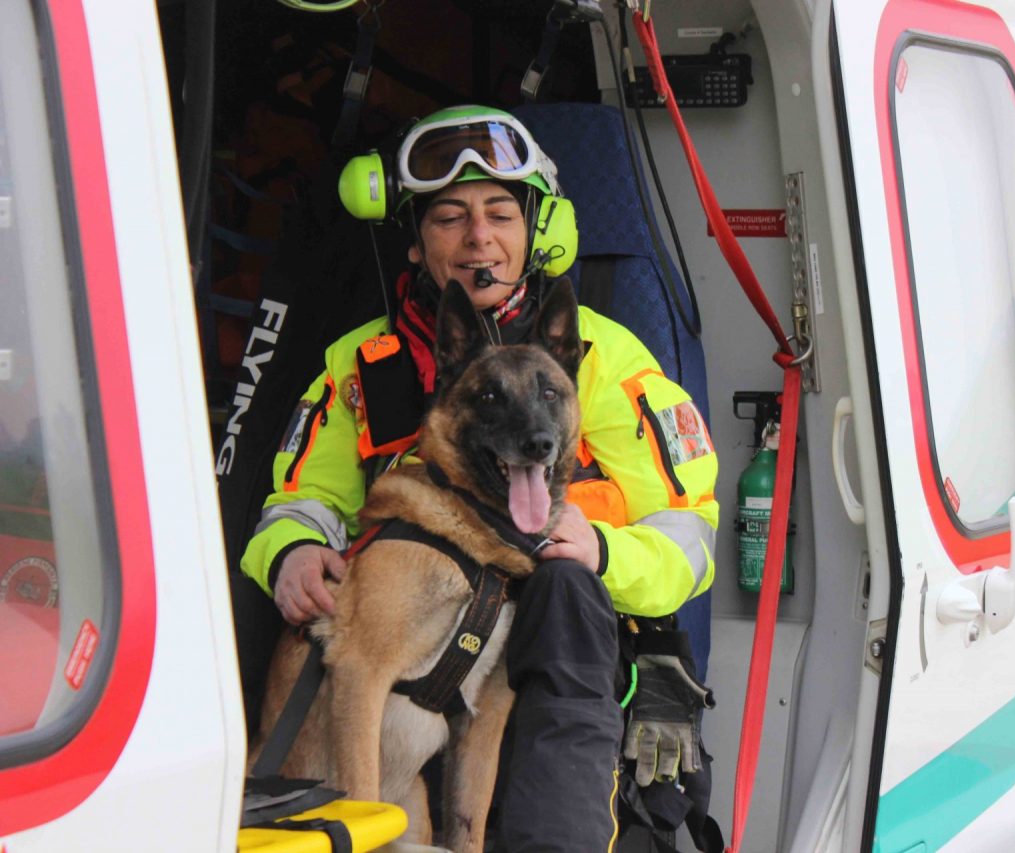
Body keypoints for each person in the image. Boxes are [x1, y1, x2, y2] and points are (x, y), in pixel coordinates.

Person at [240, 105, 719, 850]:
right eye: (449, 218)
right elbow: (303, 498)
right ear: (415, 241)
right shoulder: (359, 364)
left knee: (563, 589)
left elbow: (688, 531)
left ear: (537, 232)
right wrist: (293, 552)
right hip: (406, 647)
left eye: (500, 213)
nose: (478, 238)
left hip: (565, 649)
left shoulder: (604, 357)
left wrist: (603, 552)